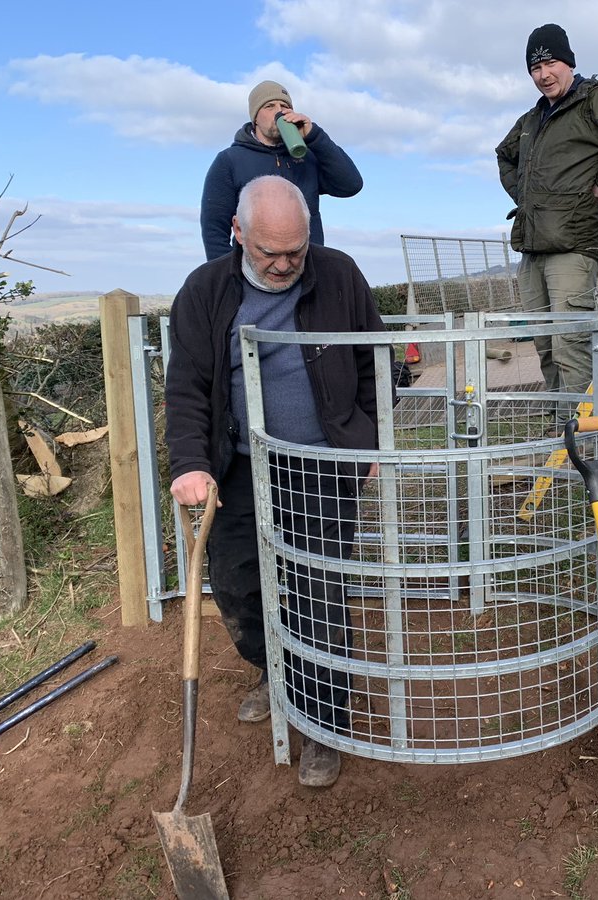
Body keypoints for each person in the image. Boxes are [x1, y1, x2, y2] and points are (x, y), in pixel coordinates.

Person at [167, 175, 387, 787]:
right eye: (271, 253)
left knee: (318, 594)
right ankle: (274, 669)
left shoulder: (338, 274)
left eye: (296, 249)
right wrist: (189, 462)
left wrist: (369, 441)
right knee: (238, 588)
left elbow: (375, 361)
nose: (287, 264)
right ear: (238, 235)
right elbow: (186, 386)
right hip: (236, 468)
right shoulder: (206, 291)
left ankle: (321, 725)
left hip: (321, 464)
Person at [495, 23, 598, 402]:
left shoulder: (594, 100)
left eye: (550, 63)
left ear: (568, 62)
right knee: (545, 347)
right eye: (534, 68)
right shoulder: (533, 120)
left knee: (571, 345)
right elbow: (504, 154)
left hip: (572, 246)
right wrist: (525, 197)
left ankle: (588, 439)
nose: (543, 75)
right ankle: (560, 428)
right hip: (532, 248)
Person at [200, 80, 363, 260]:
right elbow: (214, 228)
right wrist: (228, 278)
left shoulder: (308, 156)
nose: (279, 111)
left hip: (308, 267)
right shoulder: (230, 160)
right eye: (269, 106)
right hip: (254, 273)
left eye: (285, 106)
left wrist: (315, 136)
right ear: (255, 118)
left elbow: (350, 185)